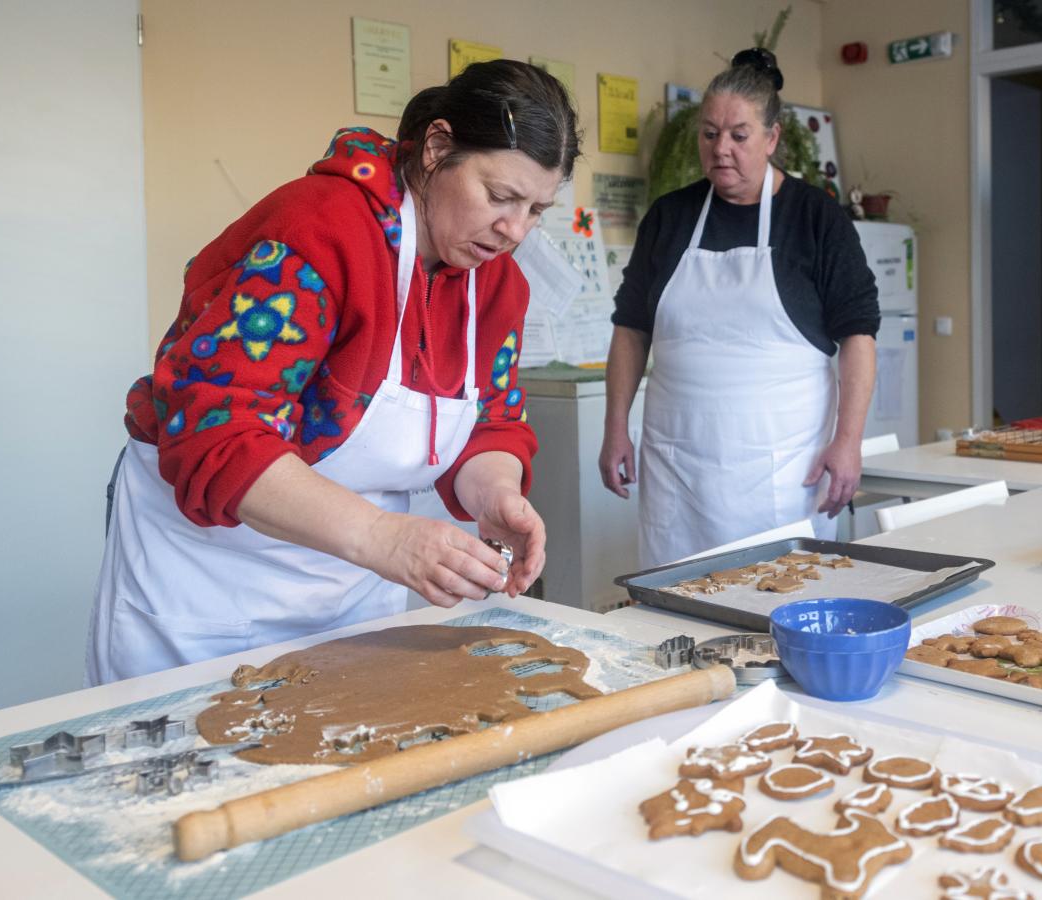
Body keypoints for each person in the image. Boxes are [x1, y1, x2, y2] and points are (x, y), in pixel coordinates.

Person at [87, 60, 579, 684]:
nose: (514, 230)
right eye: (500, 196)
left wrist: (496, 493)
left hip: (349, 585)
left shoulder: (497, 285)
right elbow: (219, 434)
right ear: (437, 147)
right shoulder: (318, 234)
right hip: (211, 581)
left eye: (536, 209)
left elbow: (491, 422)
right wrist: (384, 538)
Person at [599, 48, 879, 567]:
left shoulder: (815, 217)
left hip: (782, 465)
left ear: (772, 139)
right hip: (677, 465)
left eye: (738, 135)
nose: (721, 148)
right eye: (709, 133)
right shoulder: (670, 216)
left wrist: (849, 441)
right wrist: (616, 426)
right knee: (675, 604)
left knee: (780, 602)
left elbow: (858, 335)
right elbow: (632, 327)